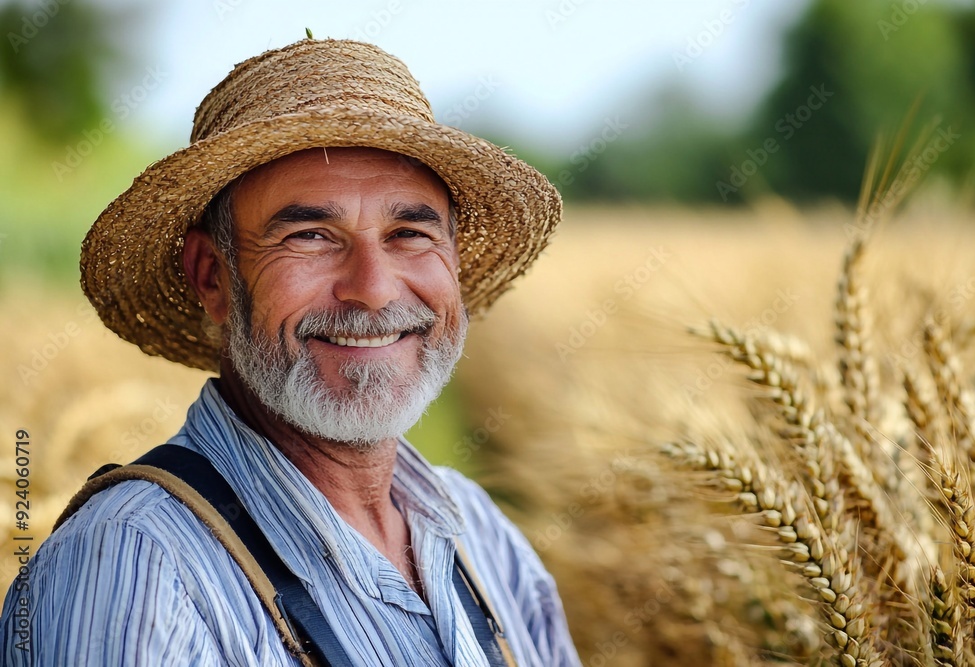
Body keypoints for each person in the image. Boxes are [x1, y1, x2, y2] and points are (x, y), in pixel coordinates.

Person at [0, 38, 581, 666]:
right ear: (213, 276)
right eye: (310, 236)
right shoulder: (132, 569)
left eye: (410, 233)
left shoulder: (479, 535)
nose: (373, 289)